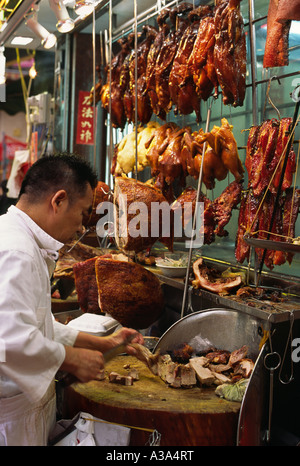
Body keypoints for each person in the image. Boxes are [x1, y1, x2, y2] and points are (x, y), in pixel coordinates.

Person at [0, 153, 144, 446]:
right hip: (12, 422)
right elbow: (9, 339)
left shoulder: (21, 240)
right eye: (82, 213)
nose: (82, 227)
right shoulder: (17, 250)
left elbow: (38, 325)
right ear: (59, 200)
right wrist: (73, 359)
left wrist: (104, 343)